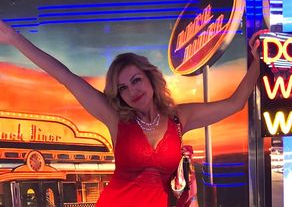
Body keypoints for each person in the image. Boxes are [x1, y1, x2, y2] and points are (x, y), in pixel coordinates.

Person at [0, 20, 262, 206]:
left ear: (150, 78)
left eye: (136, 80)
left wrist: (257, 62)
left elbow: (235, 103)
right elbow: (65, 76)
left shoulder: (179, 118)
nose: (132, 91)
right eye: (123, 87)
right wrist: (13, 38)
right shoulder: (116, 119)